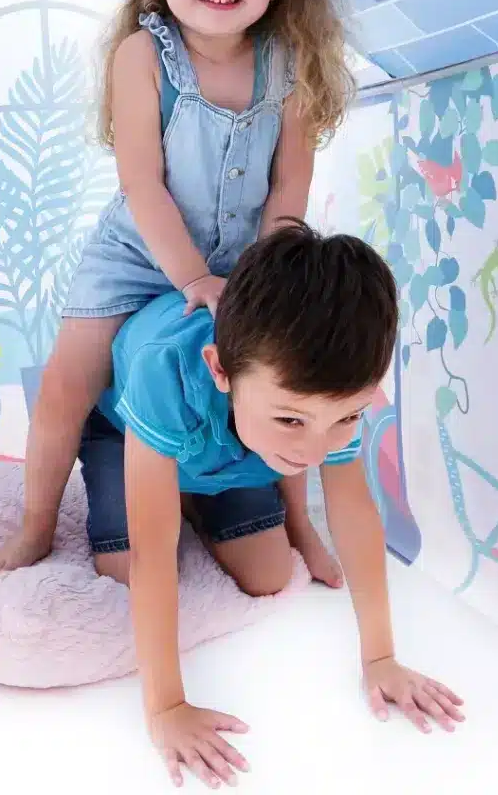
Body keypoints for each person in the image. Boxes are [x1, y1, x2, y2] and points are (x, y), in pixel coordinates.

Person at [0, 0, 355, 579]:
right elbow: (142, 184)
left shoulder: (290, 66)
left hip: (243, 258)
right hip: (137, 252)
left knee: (280, 376)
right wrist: (191, 278)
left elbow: (288, 189)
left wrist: (268, 279)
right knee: (66, 382)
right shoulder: (143, 56)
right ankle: (36, 525)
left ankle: (294, 521)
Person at [76, 220, 465, 788]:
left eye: (348, 418)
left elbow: (354, 514)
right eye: (291, 419)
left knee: (270, 575)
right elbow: (151, 552)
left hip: (236, 448)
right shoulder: (163, 369)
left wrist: (380, 657)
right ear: (220, 369)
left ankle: (197, 494)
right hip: (129, 437)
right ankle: (174, 487)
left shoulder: (328, 398)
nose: (316, 450)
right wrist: (166, 707)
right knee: (123, 572)